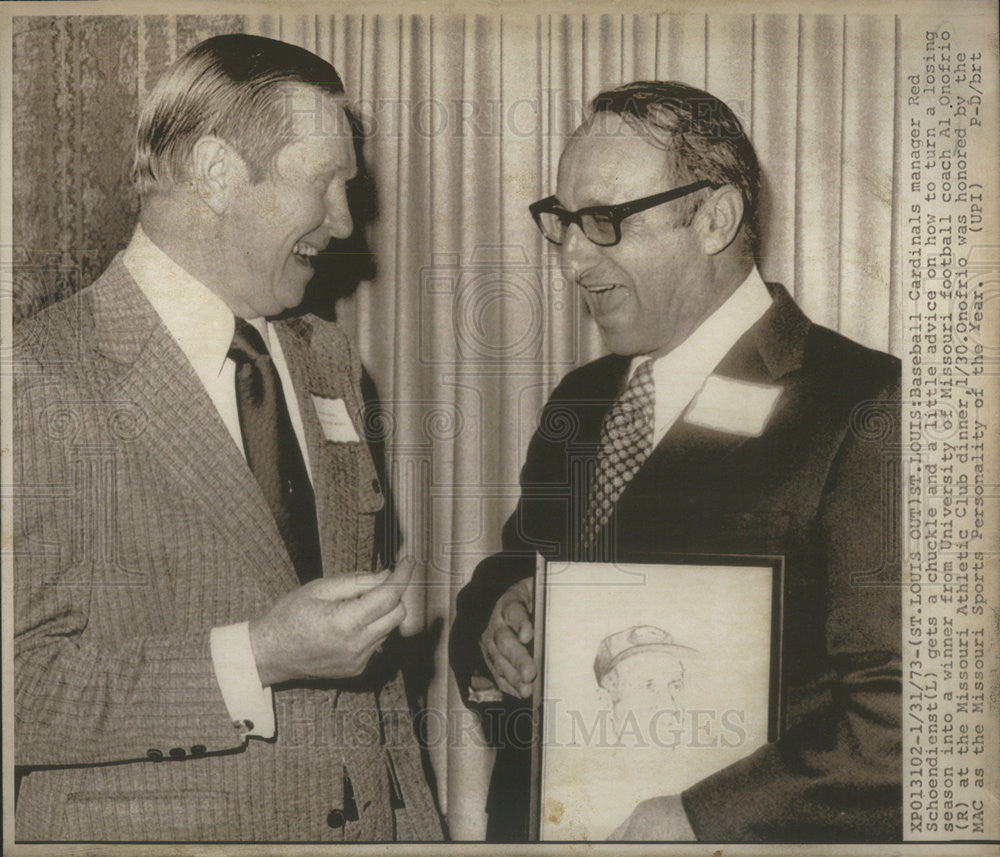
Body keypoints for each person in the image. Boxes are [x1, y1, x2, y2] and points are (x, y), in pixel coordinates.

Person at [13, 34, 441, 842]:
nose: (345, 222)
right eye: (326, 183)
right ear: (214, 171)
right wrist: (255, 656)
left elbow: (371, 679)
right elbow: (17, 691)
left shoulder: (327, 360)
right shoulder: (36, 377)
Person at [450, 80, 901, 842]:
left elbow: (902, 721)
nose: (570, 261)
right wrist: (500, 620)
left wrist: (702, 817)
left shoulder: (866, 404)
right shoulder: (581, 399)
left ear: (716, 218)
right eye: (561, 223)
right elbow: (509, 570)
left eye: (604, 222)